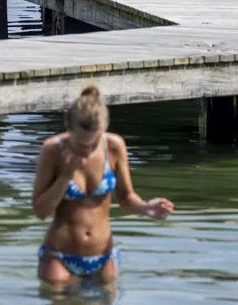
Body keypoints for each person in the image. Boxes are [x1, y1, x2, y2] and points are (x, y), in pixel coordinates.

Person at [32, 86, 173, 287]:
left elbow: (126, 199)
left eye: (94, 143)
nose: (88, 151)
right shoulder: (53, 150)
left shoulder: (115, 146)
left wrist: (147, 208)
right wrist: (64, 177)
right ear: (67, 128)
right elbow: (40, 211)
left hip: (103, 257)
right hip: (59, 257)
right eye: (81, 146)